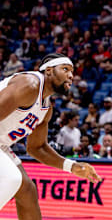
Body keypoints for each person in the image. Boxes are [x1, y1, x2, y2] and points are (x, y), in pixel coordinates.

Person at [0, 53, 100, 216]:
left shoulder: (46, 109)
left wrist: (72, 166)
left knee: (27, 190)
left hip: (1, 144)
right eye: (65, 69)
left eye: (72, 72)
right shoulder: (30, 84)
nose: (71, 75)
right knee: (12, 179)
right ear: (48, 71)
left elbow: (37, 148)